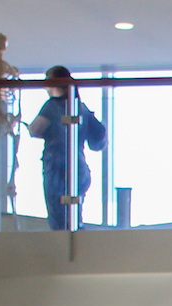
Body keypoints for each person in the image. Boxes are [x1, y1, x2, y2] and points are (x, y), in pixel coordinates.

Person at [28, 66, 105, 230]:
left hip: (57, 167)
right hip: (79, 168)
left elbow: (35, 130)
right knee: (74, 216)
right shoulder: (81, 108)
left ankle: (66, 249)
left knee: (58, 219)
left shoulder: (52, 106)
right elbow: (98, 138)